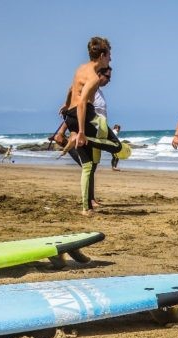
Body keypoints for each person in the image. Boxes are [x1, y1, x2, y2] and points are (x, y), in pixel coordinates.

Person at [59, 36, 123, 215]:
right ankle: (80, 138)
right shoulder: (94, 77)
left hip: (70, 115)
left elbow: (71, 90)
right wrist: (80, 132)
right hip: (85, 116)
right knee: (116, 145)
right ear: (102, 55)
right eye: (109, 55)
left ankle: (86, 209)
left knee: (87, 166)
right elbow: (82, 103)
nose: (110, 58)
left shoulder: (80, 68)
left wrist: (65, 104)